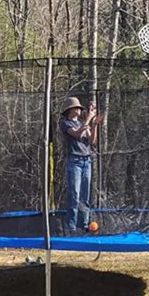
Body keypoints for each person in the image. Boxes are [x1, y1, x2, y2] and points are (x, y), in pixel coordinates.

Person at [60, 96, 103, 234]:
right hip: (75, 162)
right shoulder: (65, 123)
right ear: (70, 110)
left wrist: (94, 124)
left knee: (85, 195)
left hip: (86, 161)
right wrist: (89, 118)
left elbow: (91, 140)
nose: (79, 109)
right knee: (75, 194)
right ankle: (71, 227)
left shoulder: (80, 122)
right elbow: (77, 135)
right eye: (76, 107)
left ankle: (84, 225)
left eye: (79, 107)